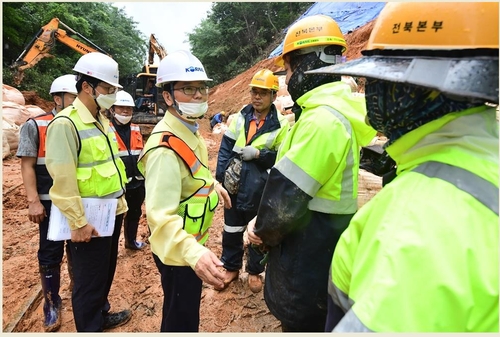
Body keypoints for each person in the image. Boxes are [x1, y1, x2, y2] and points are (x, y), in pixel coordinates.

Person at [308, 2, 499, 332]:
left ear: (413, 90)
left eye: (379, 82)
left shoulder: (414, 222)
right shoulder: (483, 161)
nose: (370, 96)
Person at [246, 15, 376, 332]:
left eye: (289, 69)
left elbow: (283, 202)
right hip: (321, 247)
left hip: (308, 258)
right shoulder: (325, 114)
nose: (288, 78)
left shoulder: (322, 122)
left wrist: (258, 234)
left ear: (308, 65)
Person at [137, 50, 231, 332]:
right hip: (179, 251)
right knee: (181, 319)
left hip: (188, 243)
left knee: (182, 310)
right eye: (188, 89)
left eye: (202, 88)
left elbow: (194, 172)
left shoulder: (187, 130)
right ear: (168, 96)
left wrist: (213, 185)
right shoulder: (165, 149)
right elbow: (160, 218)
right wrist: (194, 254)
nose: (199, 95)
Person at [45, 52, 132, 332]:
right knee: (87, 281)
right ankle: (89, 327)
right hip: (88, 221)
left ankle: (100, 314)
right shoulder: (66, 124)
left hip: (109, 213)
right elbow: (63, 180)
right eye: (108, 89)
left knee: (104, 273)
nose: (112, 95)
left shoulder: (101, 120)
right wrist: (78, 222)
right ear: (87, 86)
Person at [215, 69, 290, 293]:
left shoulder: (281, 125)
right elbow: (226, 147)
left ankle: (255, 271)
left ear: (274, 96)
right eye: (254, 92)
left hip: (260, 186)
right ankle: (231, 266)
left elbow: (282, 157)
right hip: (236, 182)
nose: (257, 97)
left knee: (257, 230)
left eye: (263, 93)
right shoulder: (240, 117)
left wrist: (259, 155)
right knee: (231, 227)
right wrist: (221, 177)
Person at [16, 74, 77, 332]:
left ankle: (79, 289)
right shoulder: (36, 125)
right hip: (50, 203)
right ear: (57, 98)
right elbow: (27, 165)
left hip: (78, 202)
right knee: (50, 252)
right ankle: (51, 303)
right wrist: (33, 201)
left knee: (78, 248)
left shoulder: (83, 124)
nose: (77, 101)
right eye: (72, 97)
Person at [109, 90, 147, 250]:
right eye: (121, 107)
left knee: (134, 213)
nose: (125, 111)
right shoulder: (106, 129)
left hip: (137, 181)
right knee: (114, 217)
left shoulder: (136, 128)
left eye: (129, 108)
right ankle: (110, 248)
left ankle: (130, 241)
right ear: (112, 109)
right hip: (117, 183)